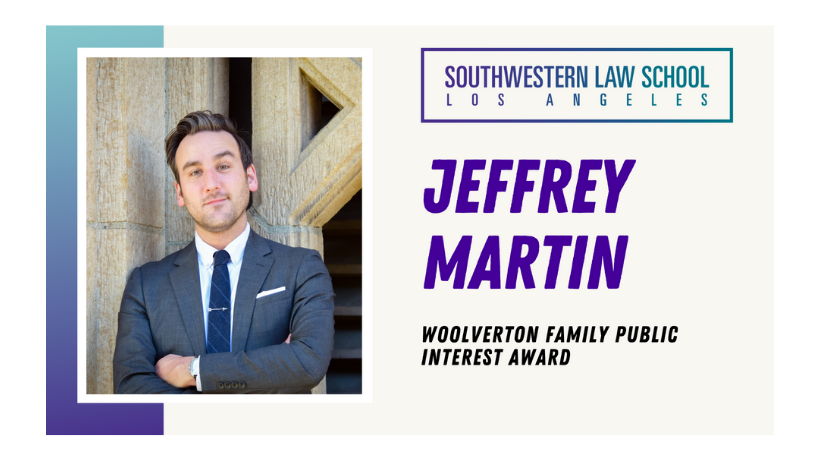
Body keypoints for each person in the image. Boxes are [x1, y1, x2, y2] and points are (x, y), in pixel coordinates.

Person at [112, 111, 334, 394]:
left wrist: (195, 370)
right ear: (179, 193)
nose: (211, 184)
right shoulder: (145, 285)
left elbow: (307, 362)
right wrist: (273, 366)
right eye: (195, 172)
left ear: (250, 176)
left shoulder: (302, 268)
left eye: (224, 166)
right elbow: (130, 388)